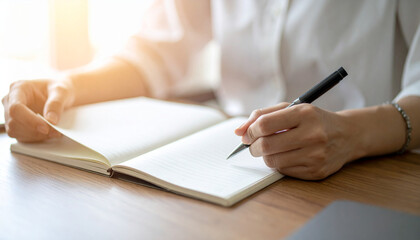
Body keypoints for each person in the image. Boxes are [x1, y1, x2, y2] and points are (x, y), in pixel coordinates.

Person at [3, 0, 420, 180]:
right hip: (237, 174)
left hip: (373, 171)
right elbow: (159, 46)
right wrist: (72, 84)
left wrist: (353, 135)